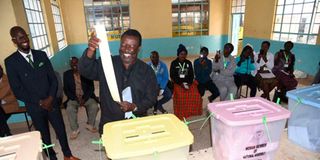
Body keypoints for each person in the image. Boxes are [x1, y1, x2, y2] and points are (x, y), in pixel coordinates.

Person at [5, 26, 79, 160]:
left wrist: (50, 98)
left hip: (51, 102)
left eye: (26, 36)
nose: (25, 39)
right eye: (20, 37)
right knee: (44, 134)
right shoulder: (10, 62)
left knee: (60, 129)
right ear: (14, 40)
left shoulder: (41, 55)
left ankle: (68, 155)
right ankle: (52, 157)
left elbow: (53, 79)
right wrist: (40, 102)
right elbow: (17, 90)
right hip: (35, 106)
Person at [78, 29, 158, 134]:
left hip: (136, 123)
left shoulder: (147, 72)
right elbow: (85, 70)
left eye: (132, 46)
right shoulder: (107, 64)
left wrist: (134, 106)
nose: (126, 49)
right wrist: (91, 50)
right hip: (110, 123)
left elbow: (151, 98)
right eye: (123, 45)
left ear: (139, 49)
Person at [63, 57, 99, 139]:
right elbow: (66, 89)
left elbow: (91, 88)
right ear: (70, 65)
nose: (74, 65)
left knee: (94, 106)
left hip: (85, 97)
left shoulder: (86, 72)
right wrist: (75, 99)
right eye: (72, 63)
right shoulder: (66, 74)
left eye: (76, 63)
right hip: (74, 98)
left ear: (79, 63)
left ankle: (90, 124)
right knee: (69, 108)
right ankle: (75, 129)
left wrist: (84, 99)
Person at [170, 44, 202, 119]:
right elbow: (173, 76)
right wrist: (181, 84)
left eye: (185, 54)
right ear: (178, 54)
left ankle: (192, 112)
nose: (183, 56)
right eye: (181, 54)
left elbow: (191, 74)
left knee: (196, 94)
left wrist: (189, 83)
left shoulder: (188, 63)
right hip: (178, 83)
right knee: (181, 96)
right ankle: (181, 113)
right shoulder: (174, 63)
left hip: (188, 83)